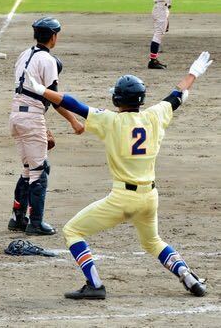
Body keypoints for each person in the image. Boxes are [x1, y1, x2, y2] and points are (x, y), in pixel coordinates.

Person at [21, 52, 212, 299]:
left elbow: (72, 103)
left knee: (72, 231)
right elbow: (178, 94)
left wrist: (41, 90)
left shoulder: (110, 121)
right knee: (153, 242)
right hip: (149, 197)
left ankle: (95, 285)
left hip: (122, 199)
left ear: (116, 98)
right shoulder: (155, 115)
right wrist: (194, 72)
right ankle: (188, 276)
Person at [8, 17, 84, 236]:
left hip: (16, 116)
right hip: (31, 119)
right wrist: (74, 121)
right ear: (53, 36)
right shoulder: (48, 61)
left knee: (28, 169)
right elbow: (54, 97)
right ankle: (35, 222)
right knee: (40, 172)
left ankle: (17, 218)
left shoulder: (25, 54)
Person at [148, 0, 171, 69]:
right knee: (158, 34)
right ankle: (152, 61)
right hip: (160, 7)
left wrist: (167, 14)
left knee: (160, 33)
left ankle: (153, 59)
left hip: (163, 8)